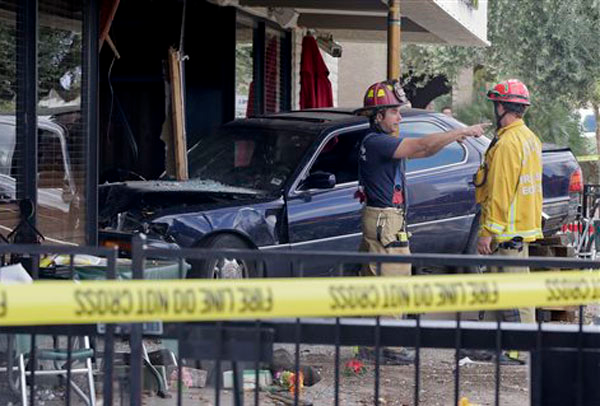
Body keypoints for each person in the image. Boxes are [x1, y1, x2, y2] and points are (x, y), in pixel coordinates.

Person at [353, 80, 488, 364]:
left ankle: (372, 345)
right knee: (392, 281)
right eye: (394, 112)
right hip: (385, 220)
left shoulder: (376, 142)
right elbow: (422, 144)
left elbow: (425, 151)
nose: (399, 118)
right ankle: (387, 348)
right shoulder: (377, 142)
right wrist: (460, 131)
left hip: (385, 220)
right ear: (378, 116)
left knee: (383, 280)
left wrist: (452, 138)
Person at [474, 79, 542, 364]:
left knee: (512, 294)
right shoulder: (529, 138)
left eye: (495, 105)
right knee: (504, 291)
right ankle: (495, 347)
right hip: (520, 230)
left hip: (505, 233)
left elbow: (500, 192)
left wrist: (488, 231)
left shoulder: (507, 144)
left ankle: (516, 351)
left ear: (502, 107)